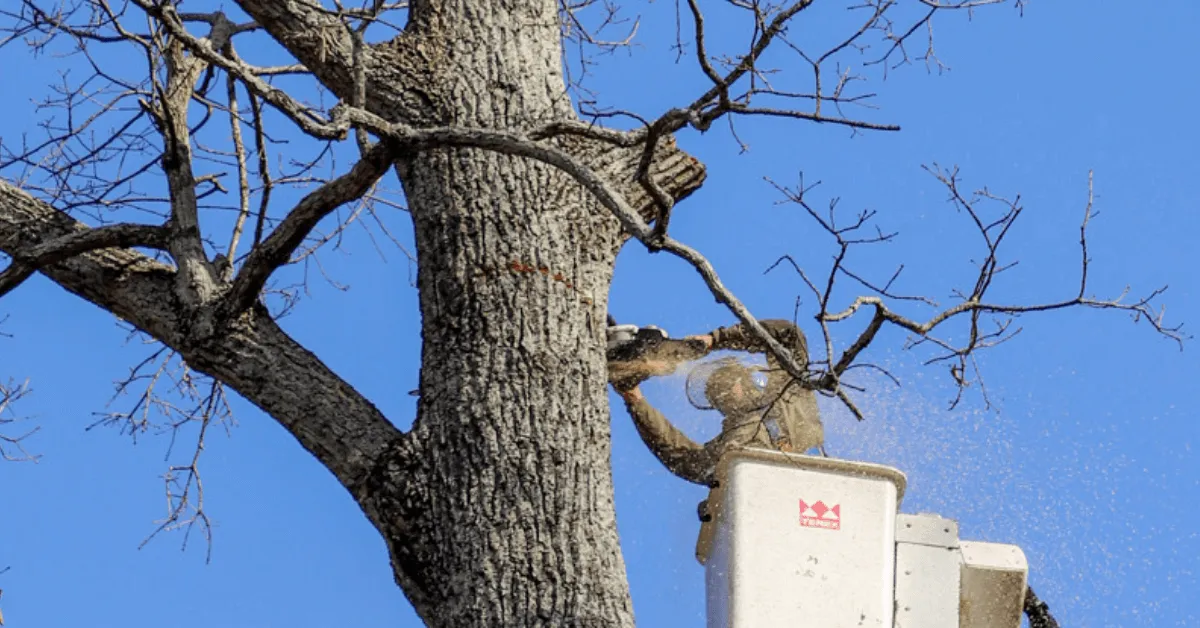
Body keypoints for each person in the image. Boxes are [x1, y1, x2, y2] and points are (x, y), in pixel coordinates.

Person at [608, 319, 824, 522]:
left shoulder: (788, 388)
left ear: (743, 376)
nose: (723, 396)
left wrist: (717, 339)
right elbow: (681, 455)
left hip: (815, 494)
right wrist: (635, 399)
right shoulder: (730, 441)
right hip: (761, 511)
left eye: (724, 384)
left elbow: (789, 335)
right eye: (715, 394)